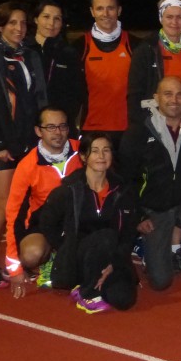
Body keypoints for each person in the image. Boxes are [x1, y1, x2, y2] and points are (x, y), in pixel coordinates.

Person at [119, 76, 181, 291]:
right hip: (154, 205)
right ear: (156, 98)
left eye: (179, 94)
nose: (174, 100)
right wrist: (138, 215)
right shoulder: (139, 131)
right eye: (167, 94)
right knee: (161, 281)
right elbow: (125, 177)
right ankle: (147, 248)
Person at [0, 2, 49, 289]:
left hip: (27, 141)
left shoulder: (29, 56)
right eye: (12, 24)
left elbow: (37, 97)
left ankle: (14, 260)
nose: (19, 29)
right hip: (1, 144)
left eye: (23, 24)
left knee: (24, 205)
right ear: (0, 26)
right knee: (4, 205)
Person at [35, 133, 139, 313]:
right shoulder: (70, 189)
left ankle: (95, 282)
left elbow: (129, 233)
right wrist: (64, 247)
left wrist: (113, 264)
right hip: (79, 258)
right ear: (84, 156)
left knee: (123, 299)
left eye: (106, 151)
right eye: (95, 151)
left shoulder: (122, 190)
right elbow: (46, 222)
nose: (101, 156)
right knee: (106, 236)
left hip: (111, 257)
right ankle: (88, 293)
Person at [5, 107, 82, 298]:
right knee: (31, 255)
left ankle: (66, 256)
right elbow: (13, 214)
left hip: (79, 219)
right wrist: (14, 269)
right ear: (39, 131)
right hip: (45, 221)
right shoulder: (27, 165)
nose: (58, 132)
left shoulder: (83, 151)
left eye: (62, 126)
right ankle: (50, 256)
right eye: (50, 127)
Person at [127, 0, 181, 124]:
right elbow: (134, 95)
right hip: (154, 122)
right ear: (161, 18)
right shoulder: (146, 49)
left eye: (180, 17)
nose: (174, 22)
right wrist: (145, 123)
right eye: (169, 17)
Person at [77, 0, 136, 145]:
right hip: (93, 129)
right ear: (92, 11)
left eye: (110, 8)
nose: (106, 13)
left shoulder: (135, 45)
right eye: (100, 8)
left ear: (119, 10)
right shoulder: (79, 46)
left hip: (128, 129)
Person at [26, 0, 83, 135]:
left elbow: (76, 94)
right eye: (46, 17)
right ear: (35, 19)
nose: (51, 23)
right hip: (28, 128)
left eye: (57, 19)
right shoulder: (23, 51)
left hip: (59, 129)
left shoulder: (69, 53)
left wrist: (60, 123)